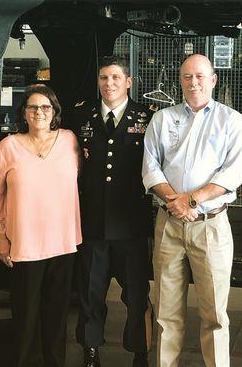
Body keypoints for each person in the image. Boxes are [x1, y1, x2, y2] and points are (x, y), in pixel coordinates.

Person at [142, 54, 242, 367]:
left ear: (213, 80)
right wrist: (176, 203)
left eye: (201, 76)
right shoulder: (162, 119)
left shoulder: (231, 120)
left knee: (214, 314)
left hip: (210, 226)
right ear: (180, 81)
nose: (194, 82)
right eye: (188, 77)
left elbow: (231, 175)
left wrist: (191, 201)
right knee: (165, 314)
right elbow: (150, 167)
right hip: (169, 226)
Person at [0, 84, 82, 367]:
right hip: (24, 245)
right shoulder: (8, 147)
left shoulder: (69, 141)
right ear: (24, 113)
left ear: (55, 112)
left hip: (62, 243)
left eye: (46, 107)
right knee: (26, 316)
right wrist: (1, 237)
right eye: (33, 107)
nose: (40, 112)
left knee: (56, 315)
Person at [72, 55, 154, 367]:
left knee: (135, 296)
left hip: (130, 226)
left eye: (116, 78)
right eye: (104, 78)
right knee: (91, 294)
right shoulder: (82, 115)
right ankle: (90, 351)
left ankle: (140, 352)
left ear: (128, 82)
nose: (109, 84)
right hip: (93, 224)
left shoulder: (147, 118)